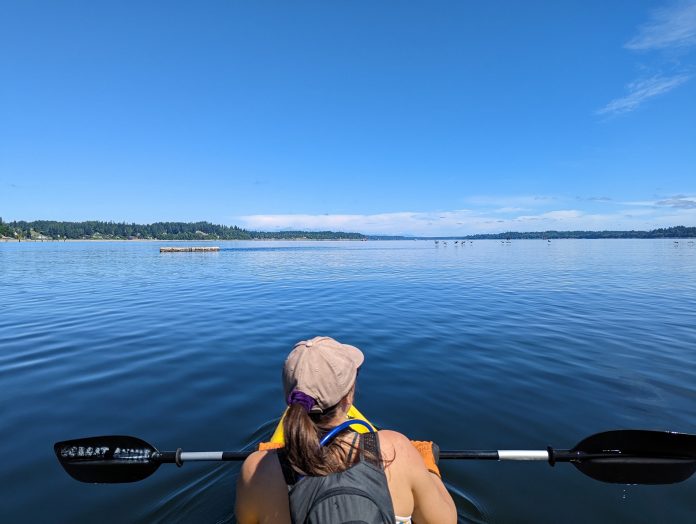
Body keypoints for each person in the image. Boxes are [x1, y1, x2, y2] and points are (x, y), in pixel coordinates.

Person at [236, 336, 457, 524]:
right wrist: (428, 467)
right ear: (348, 397)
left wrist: (269, 458)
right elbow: (446, 520)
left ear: (289, 397)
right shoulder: (397, 449)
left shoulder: (257, 470)